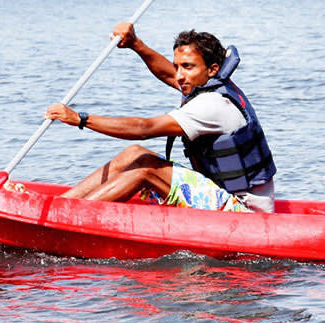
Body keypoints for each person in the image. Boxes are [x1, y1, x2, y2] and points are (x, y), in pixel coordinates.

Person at [44, 23, 277, 213]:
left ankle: (70, 216)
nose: (179, 75)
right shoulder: (209, 84)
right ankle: (60, 205)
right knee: (135, 154)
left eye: (187, 67)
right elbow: (168, 73)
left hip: (244, 213)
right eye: (178, 66)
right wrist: (136, 44)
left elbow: (145, 128)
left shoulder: (212, 105)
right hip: (221, 195)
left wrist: (80, 119)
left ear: (213, 69)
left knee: (145, 169)